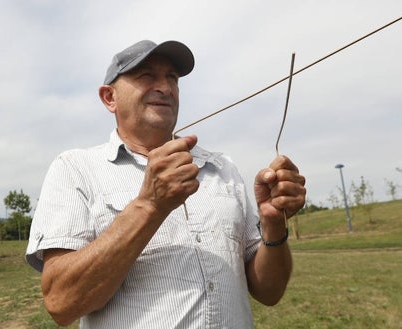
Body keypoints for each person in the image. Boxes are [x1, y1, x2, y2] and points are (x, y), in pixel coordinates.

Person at [26, 40, 306, 329]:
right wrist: (150, 205)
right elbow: (61, 303)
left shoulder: (222, 168)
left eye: (172, 77)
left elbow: (270, 293)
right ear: (109, 97)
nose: (165, 86)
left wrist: (273, 225)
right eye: (146, 75)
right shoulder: (76, 169)